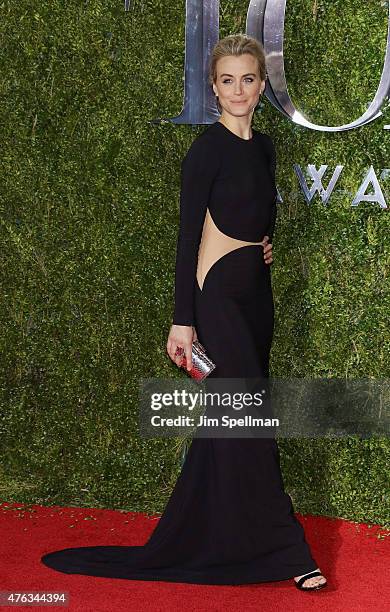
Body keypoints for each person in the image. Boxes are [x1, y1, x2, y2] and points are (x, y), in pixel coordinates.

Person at [41, 34, 327, 591]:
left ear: (262, 84)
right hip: (216, 298)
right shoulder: (205, 150)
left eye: (249, 78)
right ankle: (289, 549)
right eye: (227, 80)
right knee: (251, 423)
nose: (239, 89)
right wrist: (182, 319)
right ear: (213, 87)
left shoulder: (266, 147)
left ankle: (212, 535)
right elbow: (186, 237)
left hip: (257, 298)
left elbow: (258, 215)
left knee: (230, 426)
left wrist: (262, 245)